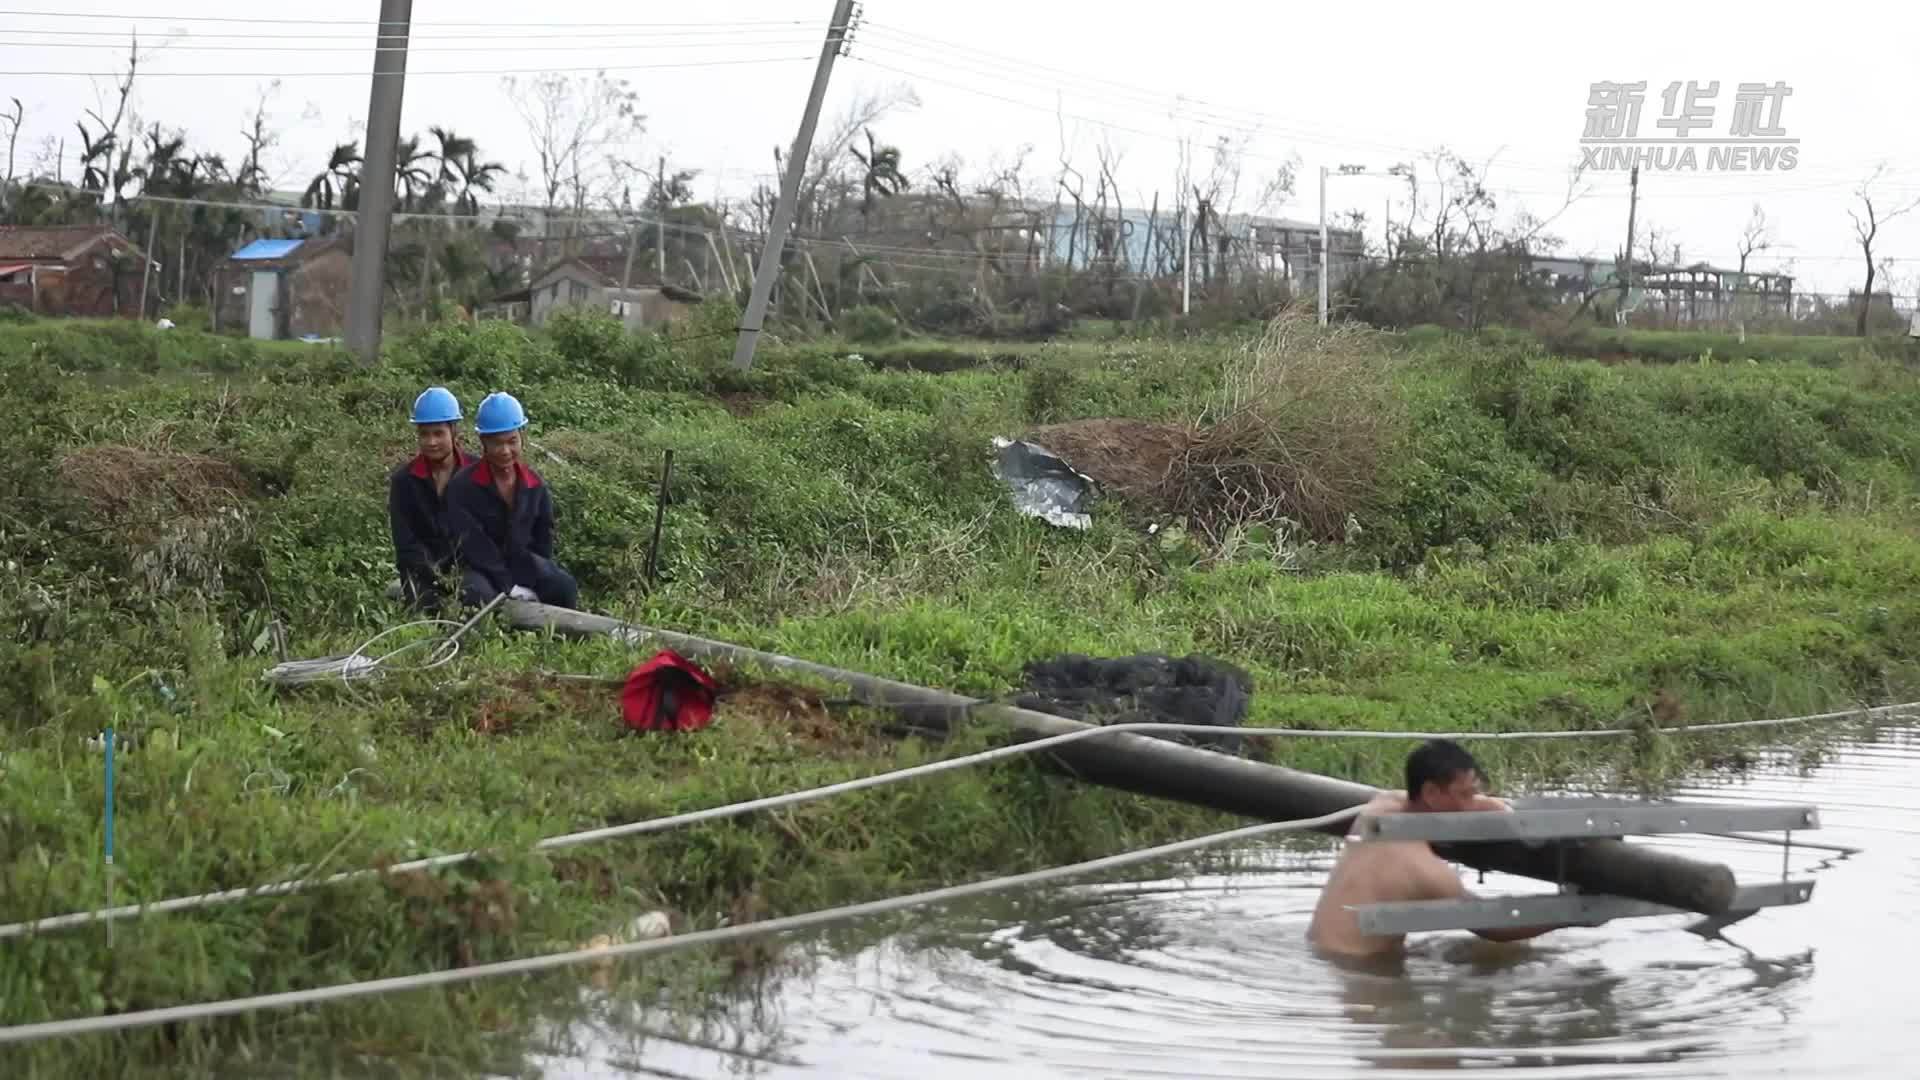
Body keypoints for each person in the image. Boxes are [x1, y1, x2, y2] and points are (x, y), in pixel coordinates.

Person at [1307, 739, 1576, 962]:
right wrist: (1574, 913)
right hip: (1360, 972)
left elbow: (1410, 798)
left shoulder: (1378, 810)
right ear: (1431, 793)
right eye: (1465, 794)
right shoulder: (1424, 870)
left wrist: (1506, 814)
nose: (1471, 803)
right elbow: (1496, 925)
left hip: (1321, 951)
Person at [445, 391, 579, 610]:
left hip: (521, 563)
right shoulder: (462, 487)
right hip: (479, 567)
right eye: (496, 443)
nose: (505, 451)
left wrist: (540, 577)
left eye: (511, 441)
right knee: (477, 595)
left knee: (564, 587)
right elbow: (474, 545)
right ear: (483, 442)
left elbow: (543, 539)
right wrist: (508, 585)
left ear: (522, 437)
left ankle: (552, 636)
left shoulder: (535, 485)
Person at [387, 386, 474, 613]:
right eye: (424, 434)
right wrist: (435, 576)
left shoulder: (477, 474)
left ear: (453, 431)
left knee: (477, 603)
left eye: (438, 433)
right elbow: (406, 544)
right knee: (424, 613)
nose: (431, 442)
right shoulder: (403, 481)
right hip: (420, 572)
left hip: (469, 572)